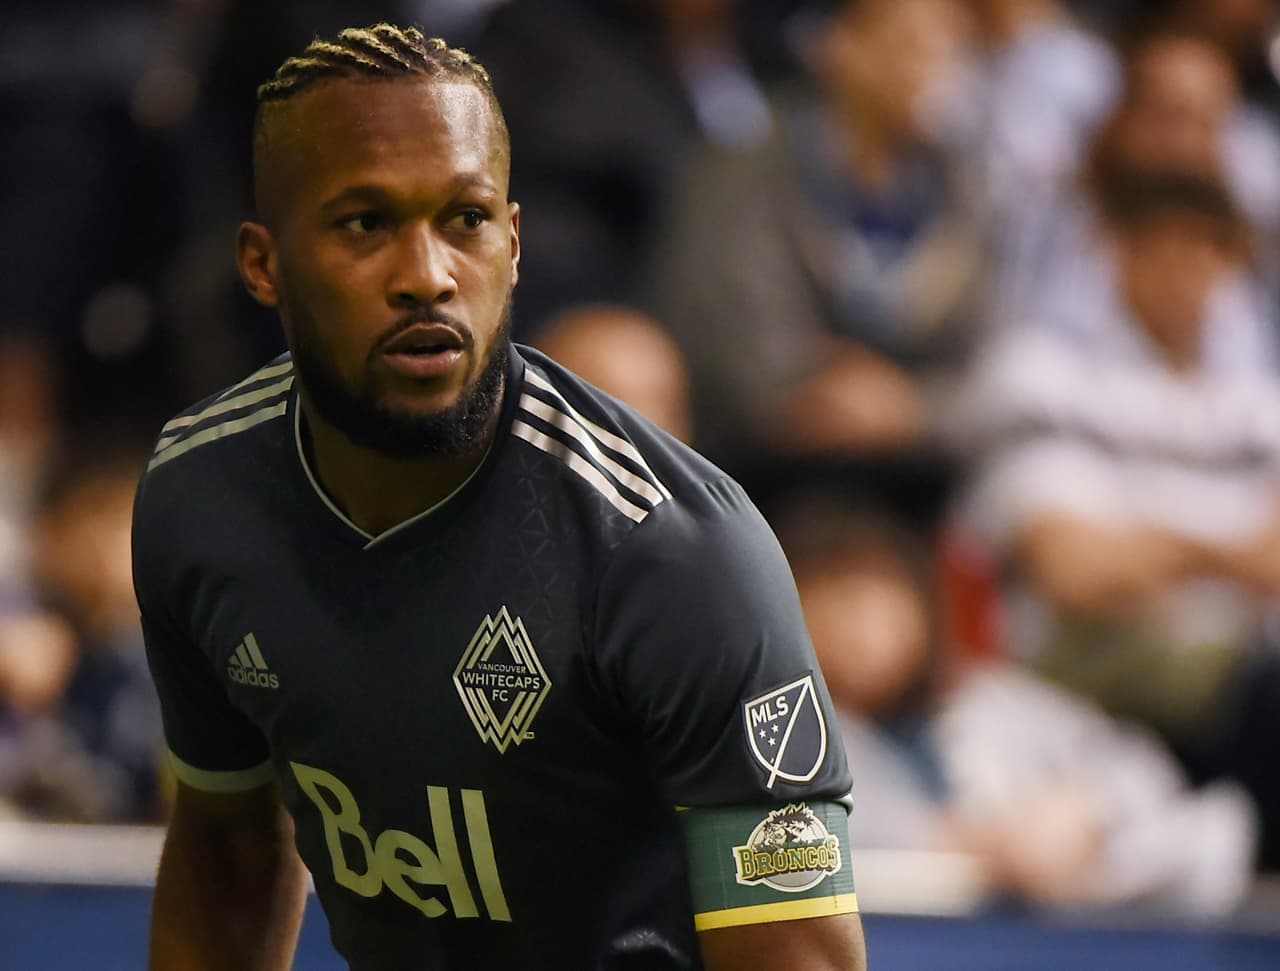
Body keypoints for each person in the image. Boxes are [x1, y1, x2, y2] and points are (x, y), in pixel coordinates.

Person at [131, 24, 866, 971]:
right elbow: (228, 853)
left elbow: (798, 954)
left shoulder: (671, 549)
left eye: (465, 220)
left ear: (513, 244)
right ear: (263, 263)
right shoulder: (202, 498)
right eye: (366, 223)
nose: (428, 275)